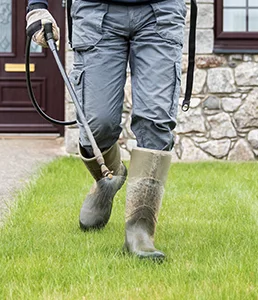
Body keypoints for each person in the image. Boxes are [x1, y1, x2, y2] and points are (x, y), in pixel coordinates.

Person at [26, 0, 186, 260]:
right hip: (96, 10)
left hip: (161, 10)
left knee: (156, 120)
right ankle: (107, 179)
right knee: (96, 123)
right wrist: (38, 6)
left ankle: (140, 232)